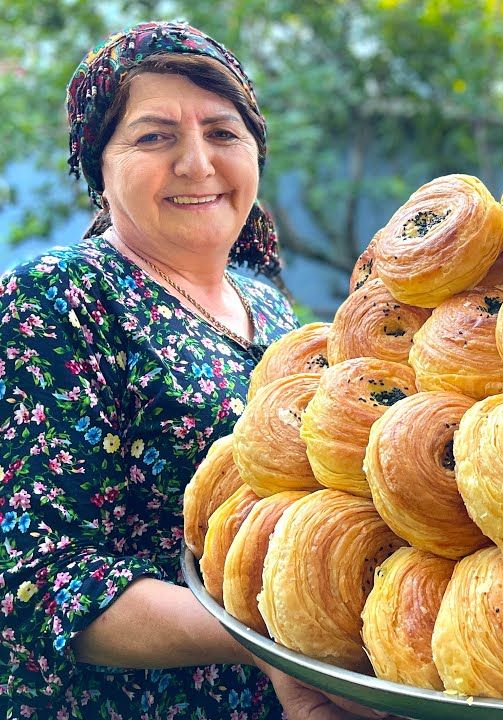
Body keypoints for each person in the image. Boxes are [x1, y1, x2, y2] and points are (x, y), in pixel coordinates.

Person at [0, 21, 383, 720]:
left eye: (222, 132)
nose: (197, 162)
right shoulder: (58, 298)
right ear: (99, 167)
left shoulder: (271, 309)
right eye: (154, 136)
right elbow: (38, 582)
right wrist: (277, 642)